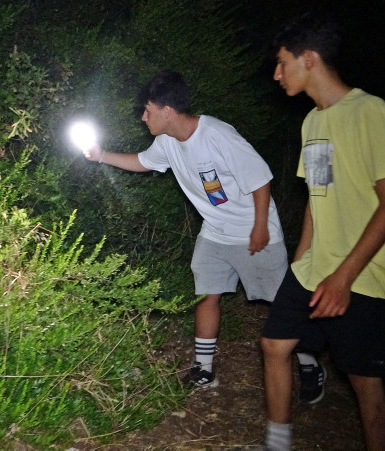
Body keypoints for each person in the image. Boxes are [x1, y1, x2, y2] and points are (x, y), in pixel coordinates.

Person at [82, 71, 312, 388]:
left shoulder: (217, 135)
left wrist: (260, 227)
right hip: (215, 232)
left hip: (254, 234)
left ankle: (309, 361)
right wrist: (102, 156)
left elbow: (260, 179)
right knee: (205, 294)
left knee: (284, 304)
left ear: (167, 111)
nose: (143, 117)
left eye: (147, 110)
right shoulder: (166, 142)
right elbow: (143, 162)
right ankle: (204, 369)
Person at [261, 12, 385, 451]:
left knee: (365, 385)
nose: (277, 74)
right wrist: (300, 261)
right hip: (313, 267)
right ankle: (278, 443)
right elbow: (316, 196)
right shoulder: (312, 122)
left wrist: (343, 277)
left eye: (282, 62)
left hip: (361, 275)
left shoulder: (369, 112)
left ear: (309, 58)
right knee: (273, 346)